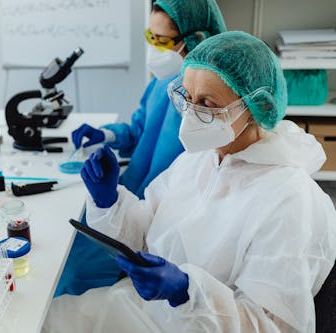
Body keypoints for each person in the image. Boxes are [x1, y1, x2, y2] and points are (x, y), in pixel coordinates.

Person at [44, 31, 336, 332]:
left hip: (191, 326)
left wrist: (187, 293)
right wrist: (110, 201)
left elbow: (270, 325)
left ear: (252, 107)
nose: (191, 113)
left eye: (207, 103)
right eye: (187, 97)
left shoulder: (288, 199)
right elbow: (148, 234)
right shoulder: (199, 160)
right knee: (38, 318)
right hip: (138, 309)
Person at [55, 0, 227, 297]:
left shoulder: (208, 105)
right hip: (123, 200)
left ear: (195, 41)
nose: (153, 48)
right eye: (150, 37)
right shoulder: (161, 84)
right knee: (59, 252)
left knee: (67, 284)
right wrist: (105, 134)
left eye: (160, 41)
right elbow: (137, 130)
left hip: (156, 221)